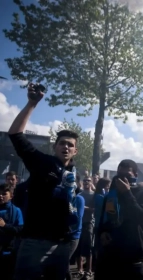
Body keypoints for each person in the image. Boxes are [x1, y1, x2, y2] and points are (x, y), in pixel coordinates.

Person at [8, 83, 80, 280]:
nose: (66, 147)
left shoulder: (74, 174)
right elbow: (15, 134)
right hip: (35, 242)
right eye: (62, 143)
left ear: (75, 151)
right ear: (55, 147)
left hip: (62, 245)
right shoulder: (42, 162)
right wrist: (32, 104)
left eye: (70, 145)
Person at [95, 160, 143, 280]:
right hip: (109, 254)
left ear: (135, 176)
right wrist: (102, 233)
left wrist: (127, 192)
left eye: (127, 175)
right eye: (119, 175)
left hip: (133, 255)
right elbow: (103, 220)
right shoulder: (111, 194)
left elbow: (141, 215)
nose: (122, 179)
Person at [0, 183, 24, 280]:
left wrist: (5, 226)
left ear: (11, 196)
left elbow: (20, 230)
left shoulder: (16, 211)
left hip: (8, 252)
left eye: (4, 194)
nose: (0, 196)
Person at [76, 176, 95, 278]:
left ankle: (89, 269)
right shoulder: (79, 195)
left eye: (88, 180)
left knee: (89, 247)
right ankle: (80, 269)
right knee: (78, 247)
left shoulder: (94, 195)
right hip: (79, 223)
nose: (86, 182)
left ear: (91, 182)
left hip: (89, 223)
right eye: (85, 180)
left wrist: (85, 208)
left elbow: (95, 208)